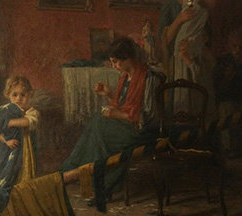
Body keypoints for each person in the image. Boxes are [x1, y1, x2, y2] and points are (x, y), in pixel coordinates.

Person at [61, 37, 163, 195]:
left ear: (127, 58)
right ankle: (82, 173)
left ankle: (91, 178)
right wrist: (109, 95)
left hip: (143, 131)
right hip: (129, 126)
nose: (114, 66)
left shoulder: (149, 77)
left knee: (99, 125)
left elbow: (150, 116)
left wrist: (118, 114)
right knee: (98, 122)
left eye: (115, 61)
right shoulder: (125, 77)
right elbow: (126, 106)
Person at [159, 0, 216, 115]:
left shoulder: (201, 8)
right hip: (176, 64)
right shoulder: (169, 6)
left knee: (197, 100)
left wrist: (193, 45)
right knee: (179, 98)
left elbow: (206, 37)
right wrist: (179, 19)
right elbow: (164, 41)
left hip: (196, 60)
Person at [214, 29, 242, 156]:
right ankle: (228, 148)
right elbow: (217, 89)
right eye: (235, 46)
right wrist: (227, 77)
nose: (238, 50)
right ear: (229, 47)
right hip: (227, 100)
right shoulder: (222, 62)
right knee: (226, 108)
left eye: (241, 47)